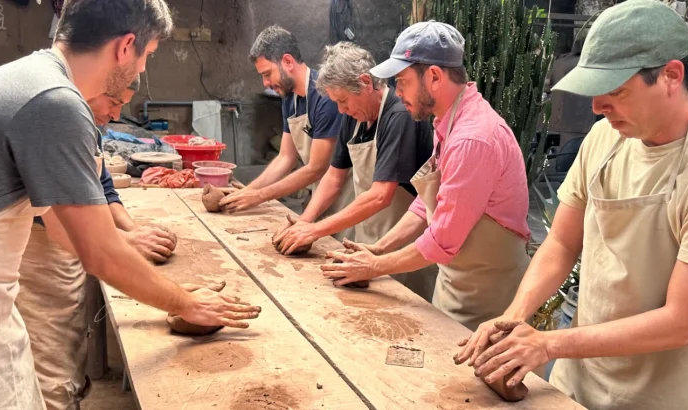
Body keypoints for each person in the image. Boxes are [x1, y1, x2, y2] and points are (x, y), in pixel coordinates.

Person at [0, 1, 260, 408]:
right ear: (125, 45)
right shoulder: (53, 100)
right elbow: (99, 254)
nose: (143, 68)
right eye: (147, 54)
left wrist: (159, 282)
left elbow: (65, 232)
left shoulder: (37, 80)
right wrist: (184, 303)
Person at [453, 1, 688, 409]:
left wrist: (549, 344)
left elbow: (684, 322)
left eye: (616, 92)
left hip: (673, 393)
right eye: (594, 92)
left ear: (671, 75)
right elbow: (562, 244)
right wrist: (514, 316)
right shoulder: (605, 138)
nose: (597, 108)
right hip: (583, 381)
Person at [321, 22, 532, 330]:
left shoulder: (472, 139)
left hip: (489, 299)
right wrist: (379, 249)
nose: (397, 92)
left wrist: (375, 267)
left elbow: (443, 239)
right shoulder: (447, 122)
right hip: (454, 284)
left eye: (403, 81)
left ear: (434, 76)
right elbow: (425, 205)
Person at [15, 77, 178, 410]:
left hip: (67, 252)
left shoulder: (89, 124)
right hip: (36, 253)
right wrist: (184, 303)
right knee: (49, 370)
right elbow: (64, 223)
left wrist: (133, 229)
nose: (117, 114)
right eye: (114, 103)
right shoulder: (55, 120)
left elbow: (103, 190)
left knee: (69, 349)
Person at [271, 42, 438, 300]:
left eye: (343, 100)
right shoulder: (355, 116)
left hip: (402, 250)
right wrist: (305, 221)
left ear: (365, 82)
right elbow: (334, 176)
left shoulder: (399, 116)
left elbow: (381, 195)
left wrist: (315, 230)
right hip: (366, 244)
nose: (341, 110)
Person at [222, 26, 355, 240]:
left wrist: (260, 196)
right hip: (317, 197)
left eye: (267, 74)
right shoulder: (290, 99)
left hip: (346, 199)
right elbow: (286, 157)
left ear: (288, 62)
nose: (265, 83)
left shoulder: (325, 96)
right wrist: (247, 192)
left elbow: (316, 168)